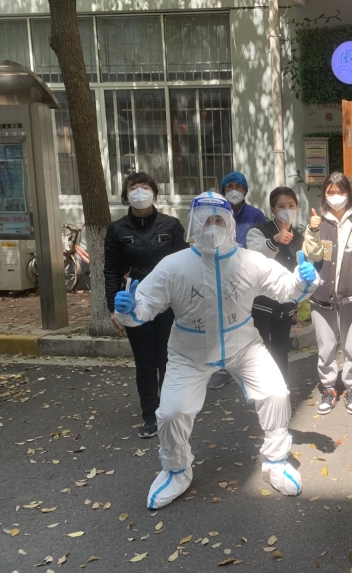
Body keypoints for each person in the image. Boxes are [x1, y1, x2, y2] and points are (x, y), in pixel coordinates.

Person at [113, 192, 320, 509]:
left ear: (229, 224)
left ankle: (276, 461)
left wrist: (303, 281)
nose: (212, 226)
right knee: (171, 412)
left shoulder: (248, 260)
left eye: (219, 220)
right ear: (194, 223)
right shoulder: (174, 265)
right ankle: (176, 470)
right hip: (189, 351)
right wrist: (129, 309)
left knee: (276, 393)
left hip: (243, 344)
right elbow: (145, 305)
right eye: (206, 220)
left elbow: (285, 288)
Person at [104, 173, 188, 439]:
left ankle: (169, 410)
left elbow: (186, 266)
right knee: (145, 362)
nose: (139, 192)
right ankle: (150, 416)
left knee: (168, 359)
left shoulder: (171, 225)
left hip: (169, 304)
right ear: (125, 195)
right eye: (134, 187)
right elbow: (111, 270)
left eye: (145, 187)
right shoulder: (117, 230)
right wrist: (113, 307)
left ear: (154, 193)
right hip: (135, 303)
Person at [303, 173, 352, 415]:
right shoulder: (318, 222)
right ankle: (328, 388)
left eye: (341, 192)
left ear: (349, 194)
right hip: (321, 294)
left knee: (351, 345)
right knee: (326, 346)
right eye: (330, 192)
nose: (336, 197)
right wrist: (312, 231)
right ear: (324, 194)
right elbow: (312, 255)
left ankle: (351, 388)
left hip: (350, 296)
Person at [209, 171, 266, 390]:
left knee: (247, 319)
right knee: (224, 320)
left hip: (247, 274)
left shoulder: (256, 215)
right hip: (221, 272)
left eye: (239, 187)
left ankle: (248, 363)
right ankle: (222, 368)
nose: (234, 191)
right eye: (229, 186)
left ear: (246, 191)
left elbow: (261, 243)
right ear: (223, 191)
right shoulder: (216, 214)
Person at [246, 187, 304, 377]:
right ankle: (260, 388)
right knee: (259, 349)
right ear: (272, 209)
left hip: (285, 305)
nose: (287, 210)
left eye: (291, 205)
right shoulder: (258, 231)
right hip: (261, 303)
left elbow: (298, 273)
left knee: (281, 349)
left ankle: (281, 387)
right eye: (281, 206)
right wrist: (274, 241)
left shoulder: (299, 237)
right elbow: (253, 256)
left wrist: (295, 306)